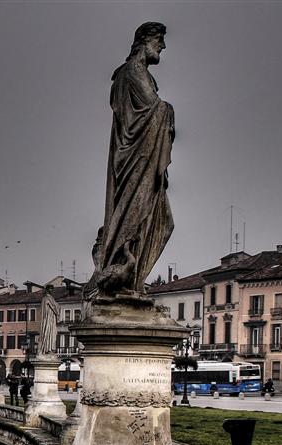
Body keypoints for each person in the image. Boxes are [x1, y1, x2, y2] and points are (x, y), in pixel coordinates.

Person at [90, 22, 175, 298]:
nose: (162, 46)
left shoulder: (141, 74)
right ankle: (125, 280)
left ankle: (134, 282)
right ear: (144, 41)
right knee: (145, 221)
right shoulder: (132, 72)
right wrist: (167, 110)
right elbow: (151, 112)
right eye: (159, 40)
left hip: (142, 157)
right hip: (134, 160)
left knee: (161, 222)